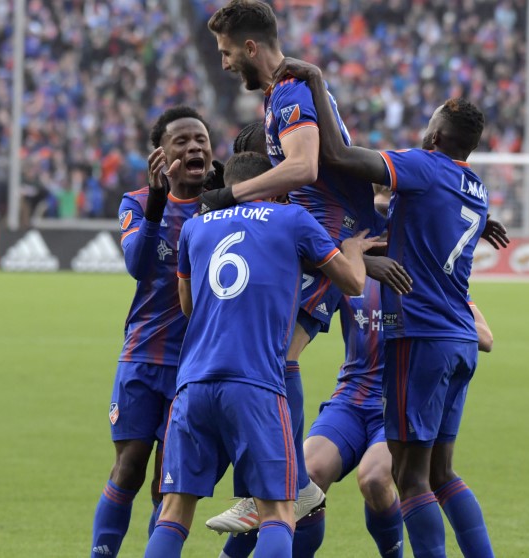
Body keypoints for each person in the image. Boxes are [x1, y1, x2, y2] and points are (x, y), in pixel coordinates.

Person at [277, 57, 496, 558]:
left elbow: (335, 154)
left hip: (420, 338)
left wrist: (315, 82)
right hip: (458, 338)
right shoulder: (476, 189)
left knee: (408, 478)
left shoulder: (422, 165)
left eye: (429, 122)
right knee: (442, 474)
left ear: (436, 133)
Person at [144, 151, 384, 557]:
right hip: (256, 384)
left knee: (173, 511)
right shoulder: (292, 220)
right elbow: (353, 283)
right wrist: (353, 249)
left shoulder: (195, 227)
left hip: (193, 385)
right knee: (279, 512)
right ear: (272, 187)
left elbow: (188, 305)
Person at [202, 0, 383, 531]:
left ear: (251, 46)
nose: (225, 62)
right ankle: (282, 489)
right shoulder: (288, 91)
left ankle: (287, 488)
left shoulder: (291, 92)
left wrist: (233, 196)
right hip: (312, 238)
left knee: (272, 358)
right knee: (274, 358)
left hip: (321, 239)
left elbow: (303, 166)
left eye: (228, 51)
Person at [90, 106, 213, 558]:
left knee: (170, 484)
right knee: (128, 468)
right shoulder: (138, 203)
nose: (194, 146)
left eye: (201, 139)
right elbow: (137, 266)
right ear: (160, 154)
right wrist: (159, 204)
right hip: (143, 357)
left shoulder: (223, 205)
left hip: (196, 366)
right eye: (182, 140)